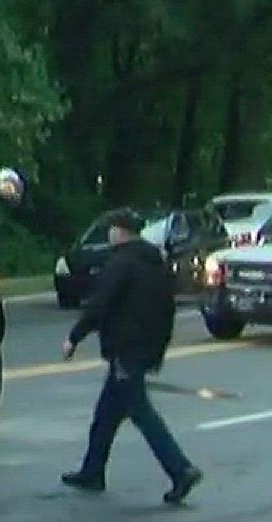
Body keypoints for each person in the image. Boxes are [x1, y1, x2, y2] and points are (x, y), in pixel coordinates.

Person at [60, 207, 204, 505]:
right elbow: (168, 309)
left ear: (120, 231)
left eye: (112, 228)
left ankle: (181, 469)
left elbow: (100, 304)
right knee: (106, 416)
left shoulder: (121, 263)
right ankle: (92, 471)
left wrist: (75, 336)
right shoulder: (154, 262)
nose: (110, 233)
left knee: (140, 412)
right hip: (144, 346)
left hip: (127, 348)